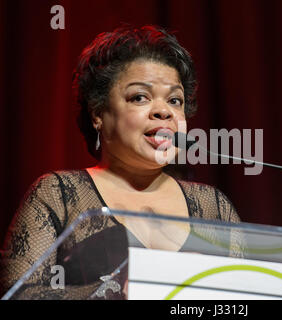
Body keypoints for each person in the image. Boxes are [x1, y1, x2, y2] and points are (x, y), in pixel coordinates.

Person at [0, 25, 243, 300]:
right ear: (98, 113)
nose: (164, 111)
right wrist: (117, 291)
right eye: (140, 97)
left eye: (175, 100)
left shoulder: (215, 208)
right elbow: (19, 295)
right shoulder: (57, 194)